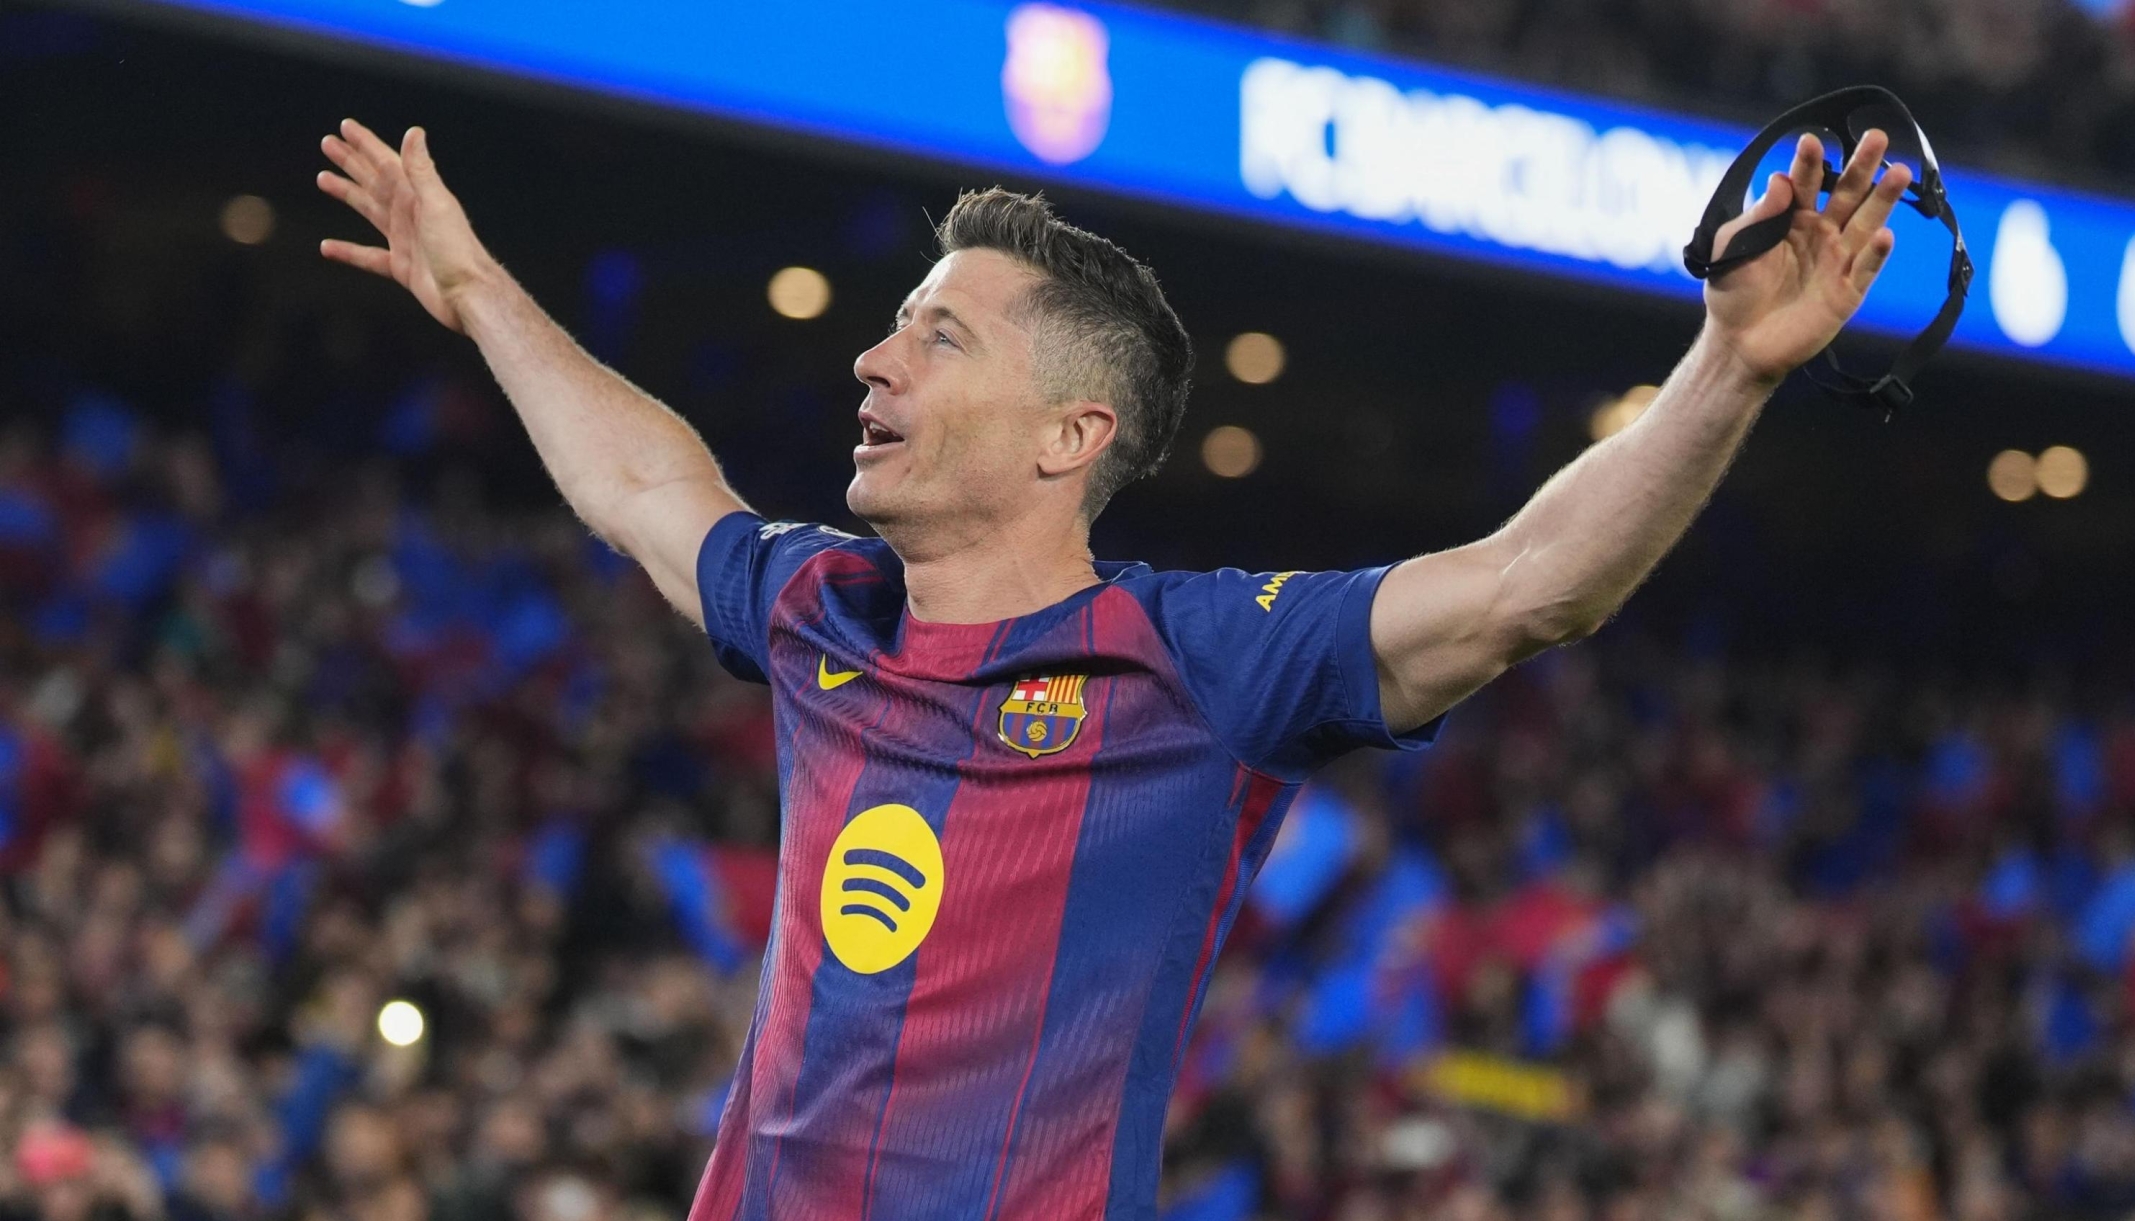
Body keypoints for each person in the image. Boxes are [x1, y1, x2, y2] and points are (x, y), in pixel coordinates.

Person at [314, 118, 1907, 1220]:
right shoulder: (821, 612)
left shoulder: (1200, 663)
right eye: (892, 328)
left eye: (939, 338)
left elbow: (1524, 588)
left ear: (1074, 436)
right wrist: (473, 289)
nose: (874, 359)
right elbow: (654, 489)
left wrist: (1725, 365)